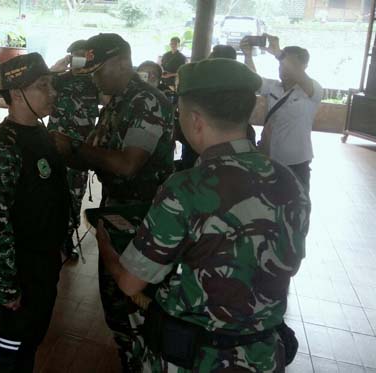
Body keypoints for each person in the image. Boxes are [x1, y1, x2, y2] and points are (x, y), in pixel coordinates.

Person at [96, 58, 310, 372]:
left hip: (198, 358)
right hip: (263, 355)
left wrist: (107, 247)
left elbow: (130, 283)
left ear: (195, 120)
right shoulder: (288, 181)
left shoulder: (186, 188)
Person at [54, 33, 175, 372]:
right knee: (116, 306)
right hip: (116, 211)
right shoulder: (117, 101)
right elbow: (98, 156)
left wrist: (74, 149)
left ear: (122, 62)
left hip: (143, 218)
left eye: (99, 69)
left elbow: (127, 163)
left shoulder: (146, 102)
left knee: (138, 309)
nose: (94, 77)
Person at [0, 52, 70, 372]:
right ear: (17, 94)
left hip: (42, 264)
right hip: (20, 271)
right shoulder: (3, 148)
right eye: (43, 86)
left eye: (51, 84)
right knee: (10, 354)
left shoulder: (40, 133)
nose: (53, 92)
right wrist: (6, 286)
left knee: (30, 342)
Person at [241, 34, 321, 193]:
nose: (283, 66)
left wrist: (278, 52)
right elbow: (252, 79)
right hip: (269, 159)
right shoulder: (273, 87)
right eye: (281, 63)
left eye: (289, 62)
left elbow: (301, 77)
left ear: (303, 66)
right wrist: (248, 55)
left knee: (297, 209)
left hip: (296, 162)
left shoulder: (311, 90)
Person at [48, 39, 100, 261]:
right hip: (52, 147)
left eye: (82, 54)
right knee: (48, 192)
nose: (79, 58)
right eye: (74, 54)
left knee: (74, 195)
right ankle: (49, 239)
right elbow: (36, 89)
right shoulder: (58, 80)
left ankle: (66, 239)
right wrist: (54, 70)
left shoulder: (95, 81)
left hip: (78, 151)